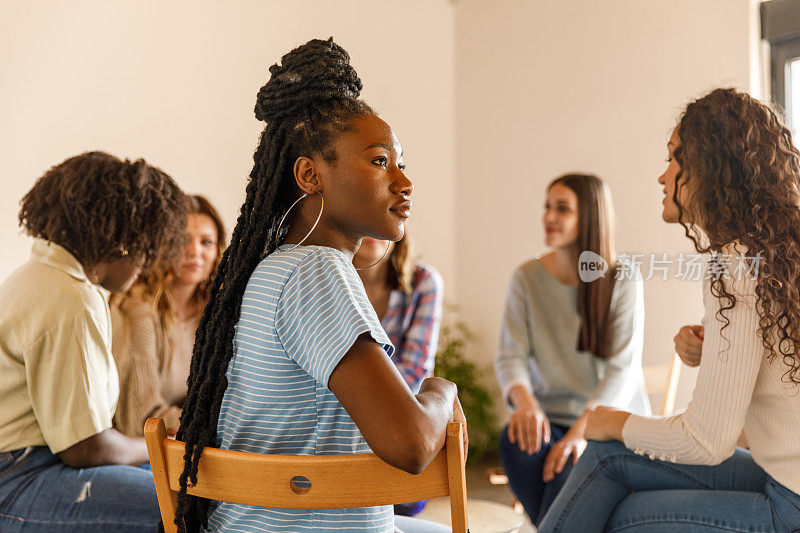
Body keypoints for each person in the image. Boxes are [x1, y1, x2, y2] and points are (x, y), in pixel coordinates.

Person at [173, 38, 465, 533]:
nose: (404, 181)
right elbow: (411, 445)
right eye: (379, 161)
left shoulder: (270, 270)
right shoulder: (318, 273)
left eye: (401, 163)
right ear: (310, 174)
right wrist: (439, 391)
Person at [538, 88, 800, 533]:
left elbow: (706, 441)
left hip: (789, 501)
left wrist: (610, 420)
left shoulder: (736, 265)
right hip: (786, 478)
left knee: (621, 513)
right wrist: (715, 342)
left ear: (710, 168)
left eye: (675, 158)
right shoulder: (773, 257)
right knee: (603, 460)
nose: (663, 177)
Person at [0, 151, 186, 532]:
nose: (146, 266)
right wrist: (157, 446)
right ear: (121, 243)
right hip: (18, 478)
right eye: (145, 250)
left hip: (25, 466)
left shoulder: (39, 276)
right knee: (185, 505)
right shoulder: (70, 298)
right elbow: (84, 449)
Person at [495, 173, 651, 526]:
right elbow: (510, 357)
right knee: (515, 443)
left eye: (562, 209)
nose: (549, 216)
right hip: (550, 419)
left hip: (607, 425)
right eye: (547, 206)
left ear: (590, 218)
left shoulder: (623, 279)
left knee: (567, 471)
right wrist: (526, 405)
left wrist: (581, 434)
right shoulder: (526, 278)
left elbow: (622, 370)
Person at [110, 195, 226, 436]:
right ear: (163, 245)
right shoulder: (136, 309)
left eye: (206, 242)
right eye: (183, 240)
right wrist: (223, 421)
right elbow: (139, 419)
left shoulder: (214, 312)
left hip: (182, 439)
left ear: (218, 251)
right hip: (136, 450)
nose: (195, 251)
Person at [354, 234, 444, 517]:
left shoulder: (423, 283)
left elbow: (415, 371)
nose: (372, 231)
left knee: (406, 498)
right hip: (344, 429)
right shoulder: (327, 279)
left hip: (397, 423)